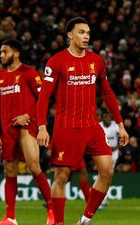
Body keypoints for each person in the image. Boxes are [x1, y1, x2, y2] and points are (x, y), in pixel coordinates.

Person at [36, 17, 129, 225]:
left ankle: (85, 220)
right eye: (81, 32)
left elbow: (108, 94)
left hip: (91, 126)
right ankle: (58, 222)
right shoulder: (57, 62)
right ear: (70, 35)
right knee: (61, 176)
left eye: (88, 33)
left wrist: (121, 125)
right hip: (66, 127)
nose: (86, 36)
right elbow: (44, 97)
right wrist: (42, 126)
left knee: (107, 171)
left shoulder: (96, 61)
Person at [0, 40, 54, 225]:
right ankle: (10, 217)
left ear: (16, 53)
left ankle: (52, 211)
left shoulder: (29, 72)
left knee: (34, 167)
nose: (1, 55)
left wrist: (29, 115)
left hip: (27, 127)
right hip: (7, 130)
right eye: (0, 52)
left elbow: (43, 99)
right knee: (9, 171)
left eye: (5, 52)